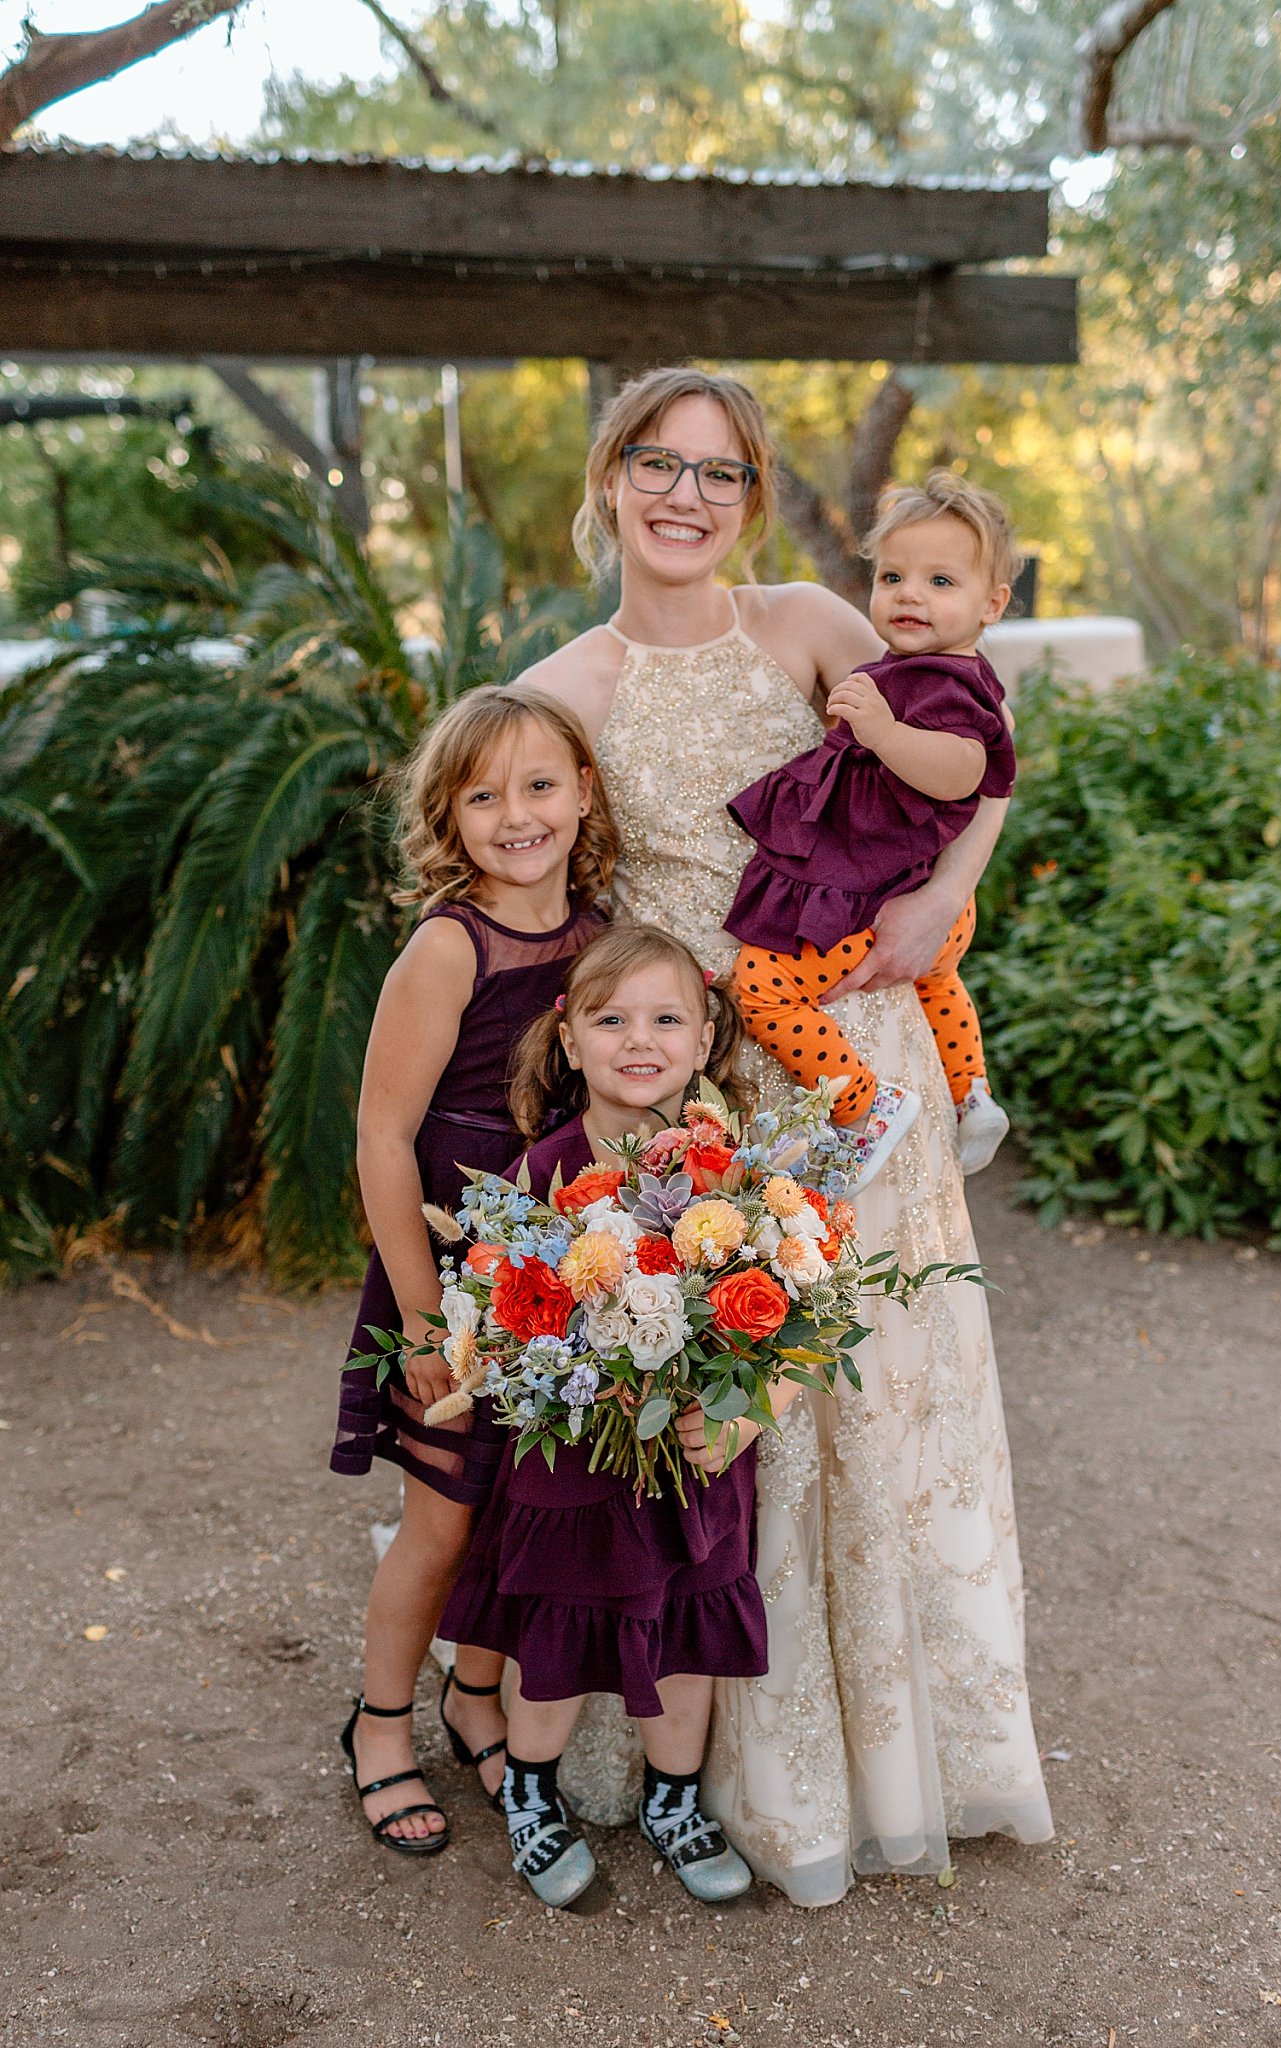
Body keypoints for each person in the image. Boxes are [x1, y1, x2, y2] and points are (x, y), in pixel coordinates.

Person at [520, 365, 1052, 1907]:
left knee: (876, 1388)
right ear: (609, 479)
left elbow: (981, 740)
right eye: (656, 464)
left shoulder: (819, 623)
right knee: (717, 1411)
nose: (686, 497)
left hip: (852, 1050)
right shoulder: (570, 682)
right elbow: (536, 873)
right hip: (686, 1082)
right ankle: (693, 1763)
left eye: (720, 473)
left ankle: (897, 1756)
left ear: (752, 498)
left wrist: (950, 895)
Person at [331, 685, 616, 1855]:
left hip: (556, 1275)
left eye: (540, 784)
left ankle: (475, 1697)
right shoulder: (450, 946)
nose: (516, 813)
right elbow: (381, 1136)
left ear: (585, 792)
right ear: (449, 813)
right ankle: (382, 1721)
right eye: (484, 792)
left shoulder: (600, 935)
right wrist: (417, 1312)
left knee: (522, 1516)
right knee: (443, 1520)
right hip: (448, 1278)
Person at [443, 926, 778, 1907]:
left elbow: (787, 1319)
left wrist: (735, 1414)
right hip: (575, 1466)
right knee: (556, 1640)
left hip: (692, 1457)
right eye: (612, 1017)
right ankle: (531, 1795)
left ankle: (674, 1800)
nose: (641, 1038)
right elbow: (494, 1306)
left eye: (666, 1017)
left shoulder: (730, 1176)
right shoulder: (542, 1170)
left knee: (687, 1634)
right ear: (570, 1035)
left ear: (706, 1032)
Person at [726, 470, 1017, 1184]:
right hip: (917, 894)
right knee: (937, 981)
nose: (909, 594)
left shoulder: (947, 686)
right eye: (892, 575)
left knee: (761, 985)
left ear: (992, 604)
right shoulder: (913, 671)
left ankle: (861, 1107)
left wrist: (882, 733)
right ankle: (969, 1092)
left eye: (940, 581)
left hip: (881, 898)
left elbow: (962, 773)